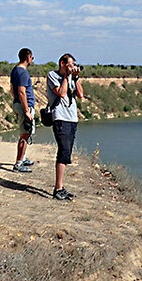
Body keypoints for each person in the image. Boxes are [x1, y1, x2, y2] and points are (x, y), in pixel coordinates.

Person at [46, 52, 85, 201]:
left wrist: (75, 78)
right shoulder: (52, 75)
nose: (73, 67)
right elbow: (61, 93)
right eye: (70, 65)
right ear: (62, 64)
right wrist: (65, 77)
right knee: (63, 151)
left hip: (72, 118)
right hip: (60, 117)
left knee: (67, 152)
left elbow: (80, 95)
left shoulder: (72, 78)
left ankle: (60, 187)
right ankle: (58, 188)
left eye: (74, 65)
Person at [9, 47, 37, 173]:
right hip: (24, 106)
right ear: (28, 57)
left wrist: (16, 102)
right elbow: (21, 91)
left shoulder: (15, 70)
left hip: (18, 104)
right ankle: (18, 163)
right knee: (25, 135)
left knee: (25, 132)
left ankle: (23, 157)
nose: (32, 60)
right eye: (32, 57)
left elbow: (12, 89)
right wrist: (26, 110)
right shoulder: (23, 72)